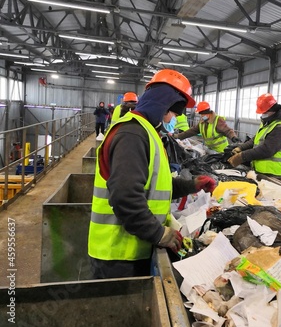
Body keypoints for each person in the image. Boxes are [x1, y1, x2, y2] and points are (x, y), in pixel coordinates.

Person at [88, 69, 217, 279]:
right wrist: (159, 234)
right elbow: (125, 197)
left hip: (133, 249)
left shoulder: (148, 133)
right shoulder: (132, 135)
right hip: (117, 255)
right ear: (163, 105)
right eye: (174, 113)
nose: (174, 119)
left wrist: (193, 184)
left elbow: (156, 186)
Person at [228, 93, 281, 176]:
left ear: (272, 110)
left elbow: (267, 150)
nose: (263, 114)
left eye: (264, 112)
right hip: (260, 171)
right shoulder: (268, 123)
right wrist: (240, 148)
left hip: (273, 174)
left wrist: (242, 156)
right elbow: (255, 140)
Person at [173, 101, 239, 152]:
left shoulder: (217, 120)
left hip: (220, 152)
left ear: (208, 113)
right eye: (201, 115)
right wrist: (177, 136)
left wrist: (233, 137)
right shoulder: (202, 122)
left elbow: (227, 130)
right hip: (209, 150)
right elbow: (191, 131)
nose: (201, 117)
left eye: (202, 115)